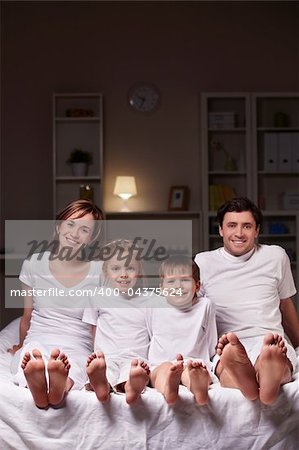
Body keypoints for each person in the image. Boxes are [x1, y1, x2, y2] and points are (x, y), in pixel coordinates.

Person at [195, 197, 299, 405]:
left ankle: (264, 368)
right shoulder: (203, 262)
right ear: (221, 230)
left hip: (268, 338)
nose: (239, 233)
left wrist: (297, 344)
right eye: (232, 225)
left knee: (275, 355)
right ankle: (259, 377)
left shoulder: (276, 256)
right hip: (227, 344)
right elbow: (193, 313)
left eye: (247, 226)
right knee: (227, 359)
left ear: (257, 230)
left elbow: (285, 304)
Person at [8, 199, 104, 408]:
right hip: (39, 339)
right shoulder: (34, 264)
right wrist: (20, 344)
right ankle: (41, 383)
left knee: (77, 365)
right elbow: (27, 316)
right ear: (59, 226)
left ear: (92, 237)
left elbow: (103, 320)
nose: (75, 233)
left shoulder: (100, 270)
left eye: (84, 229)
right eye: (70, 224)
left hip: (77, 345)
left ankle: (59, 385)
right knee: (30, 356)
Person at [83, 239, 154, 405]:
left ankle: (131, 387)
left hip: (136, 359)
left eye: (130, 268)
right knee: (104, 369)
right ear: (106, 272)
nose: (123, 274)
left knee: (134, 372)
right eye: (116, 268)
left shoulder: (149, 300)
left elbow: (154, 334)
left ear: (139, 271)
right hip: (107, 357)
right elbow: (93, 332)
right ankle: (101, 384)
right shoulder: (96, 296)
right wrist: (96, 354)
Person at [146, 255, 218, 405]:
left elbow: (211, 342)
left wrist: (207, 361)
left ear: (197, 286)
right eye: (171, 281)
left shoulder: (205, 305)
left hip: (193, 363)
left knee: (194, 370)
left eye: (185, 280)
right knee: (163, 371)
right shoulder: (153, 305)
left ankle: (198, 389)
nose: (178, 286)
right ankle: (169, 389)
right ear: (162, 287)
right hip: (162, 363)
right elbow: (150, 334)